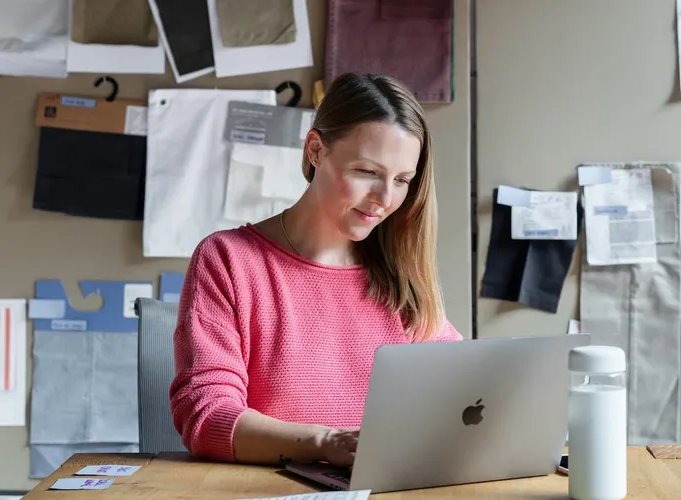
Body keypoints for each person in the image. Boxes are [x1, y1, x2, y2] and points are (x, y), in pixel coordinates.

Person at [168, 73, 465, 470]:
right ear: (315, 150)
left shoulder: (400, 277)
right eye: (367, 172)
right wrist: (326, 442)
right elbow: (206, 418)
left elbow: (465, 390)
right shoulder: (228, 259)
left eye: (402, 180)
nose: (384, 199)